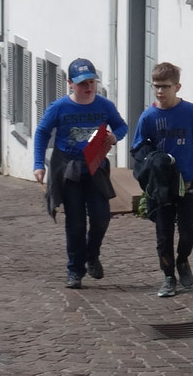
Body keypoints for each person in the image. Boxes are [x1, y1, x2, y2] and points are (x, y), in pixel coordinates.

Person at [33, 58, 129, 290]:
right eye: (82, 83)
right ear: (70, 84)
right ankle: (75, 270)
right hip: (69, 169)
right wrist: (39, 164)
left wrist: (116, 136)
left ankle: (92, 254)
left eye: (91, 82)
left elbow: (121, 126)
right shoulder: (59, 108)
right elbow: (42, 133)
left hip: (95, 167)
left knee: (101, 216)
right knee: (75, 222)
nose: (88, 88)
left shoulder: (104, 105)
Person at [134, 62, 193, 296]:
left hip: (188, 181)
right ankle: (168, 276)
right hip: (162, 184)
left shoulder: (191, 112)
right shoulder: (148, 117)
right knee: (163, 234)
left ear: (177, 86)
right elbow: (139, 148)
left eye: (165, 86)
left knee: (187, 232)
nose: (160, 91)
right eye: (156, 87)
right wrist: (154, 159)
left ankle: (183, 259)